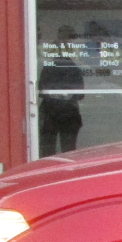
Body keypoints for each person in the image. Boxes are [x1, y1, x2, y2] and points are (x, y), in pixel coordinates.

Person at [39, 25, 85, 155]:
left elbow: (41, 90)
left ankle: (49, 172)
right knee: (68, 149)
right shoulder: (73, 67)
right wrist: (66, 96)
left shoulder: (49, 66)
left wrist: (56, 95)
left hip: (54, 111)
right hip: (65, 111)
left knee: (49, 149)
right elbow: (80, 94)